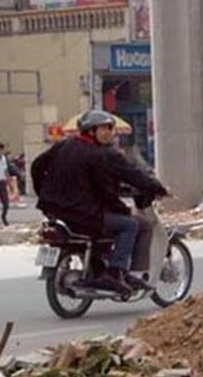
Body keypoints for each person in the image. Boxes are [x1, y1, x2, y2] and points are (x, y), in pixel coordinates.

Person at [31, 110, 167, 295]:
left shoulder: (63, 146)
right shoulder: (105, 154)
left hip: (58, 213)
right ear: (90, 131)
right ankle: (115, 272)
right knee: (134, 225)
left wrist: (44, 194)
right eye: (103, 129)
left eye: (110, 129)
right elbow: (132, 176)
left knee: (116, 220)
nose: (109, 133)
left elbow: (37, 166)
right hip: (86, 215)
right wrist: (157, 188)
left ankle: (101, 264)